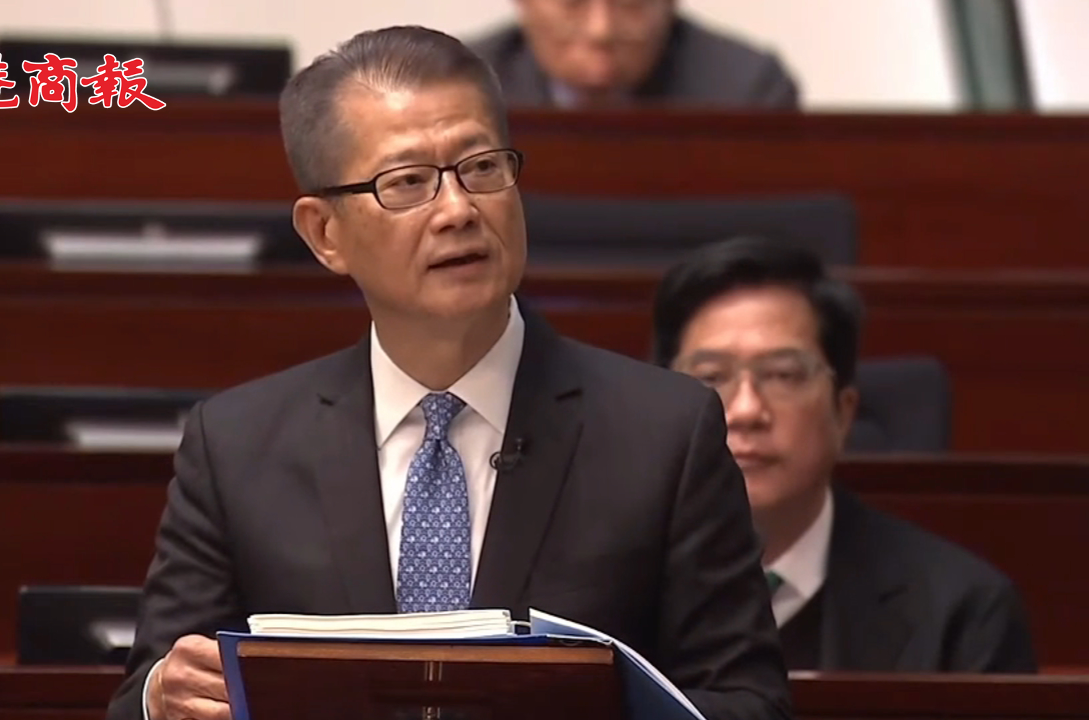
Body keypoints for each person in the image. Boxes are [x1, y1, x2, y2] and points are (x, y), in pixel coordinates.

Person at [106, 25, 791, 720]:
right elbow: (143, 698)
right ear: (324, 233)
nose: (459, 210)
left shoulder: (665, 433)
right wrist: (164, 697)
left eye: (482, 168)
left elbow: (750, 704)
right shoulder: (235, 446)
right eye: (408, 183)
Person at [651, 236, 1039, 673]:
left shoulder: (963, 614)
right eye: (711, 376)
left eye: (783, 375)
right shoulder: (603, 592)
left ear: (844, 411)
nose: (746, 411)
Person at [470, 0, 798, 109]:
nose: (601, 30)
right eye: (573, 3)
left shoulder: (749, 93)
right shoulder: (463, 87)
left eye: (630, 4)